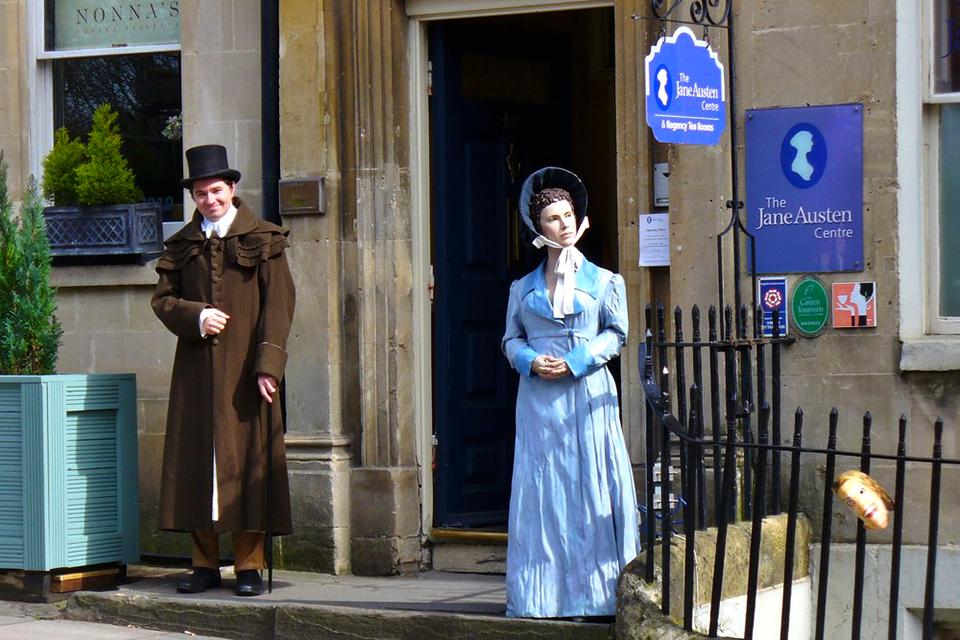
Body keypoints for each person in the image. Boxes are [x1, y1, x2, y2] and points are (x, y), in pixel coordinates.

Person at [152, 144, 296, 596]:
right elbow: (162, 301)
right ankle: (204, 563)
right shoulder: (182, 245)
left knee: (249, 463)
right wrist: (196, 316)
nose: (209, 199)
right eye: (200, 193)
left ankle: (249, 566)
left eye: (216, 190)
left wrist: (268, 365)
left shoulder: (266, 239)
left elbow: (280, 305)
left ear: (232, 189)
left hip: (247, 372)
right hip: (195, 372)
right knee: (197, 463)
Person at [501, 167, 639, 619]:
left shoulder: (605, 282)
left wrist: (578, 361)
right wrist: (530, 360)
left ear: (581, 220)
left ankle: (596, 596)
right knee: (545, 495)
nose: (562, 224)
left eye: (568, 215)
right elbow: (510, 339)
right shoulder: (522, 288)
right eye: (552, 218)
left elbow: (616, 333)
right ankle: (542, 597)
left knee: (591, 488)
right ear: (537, 228)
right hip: (540, 402)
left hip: (587, 394)